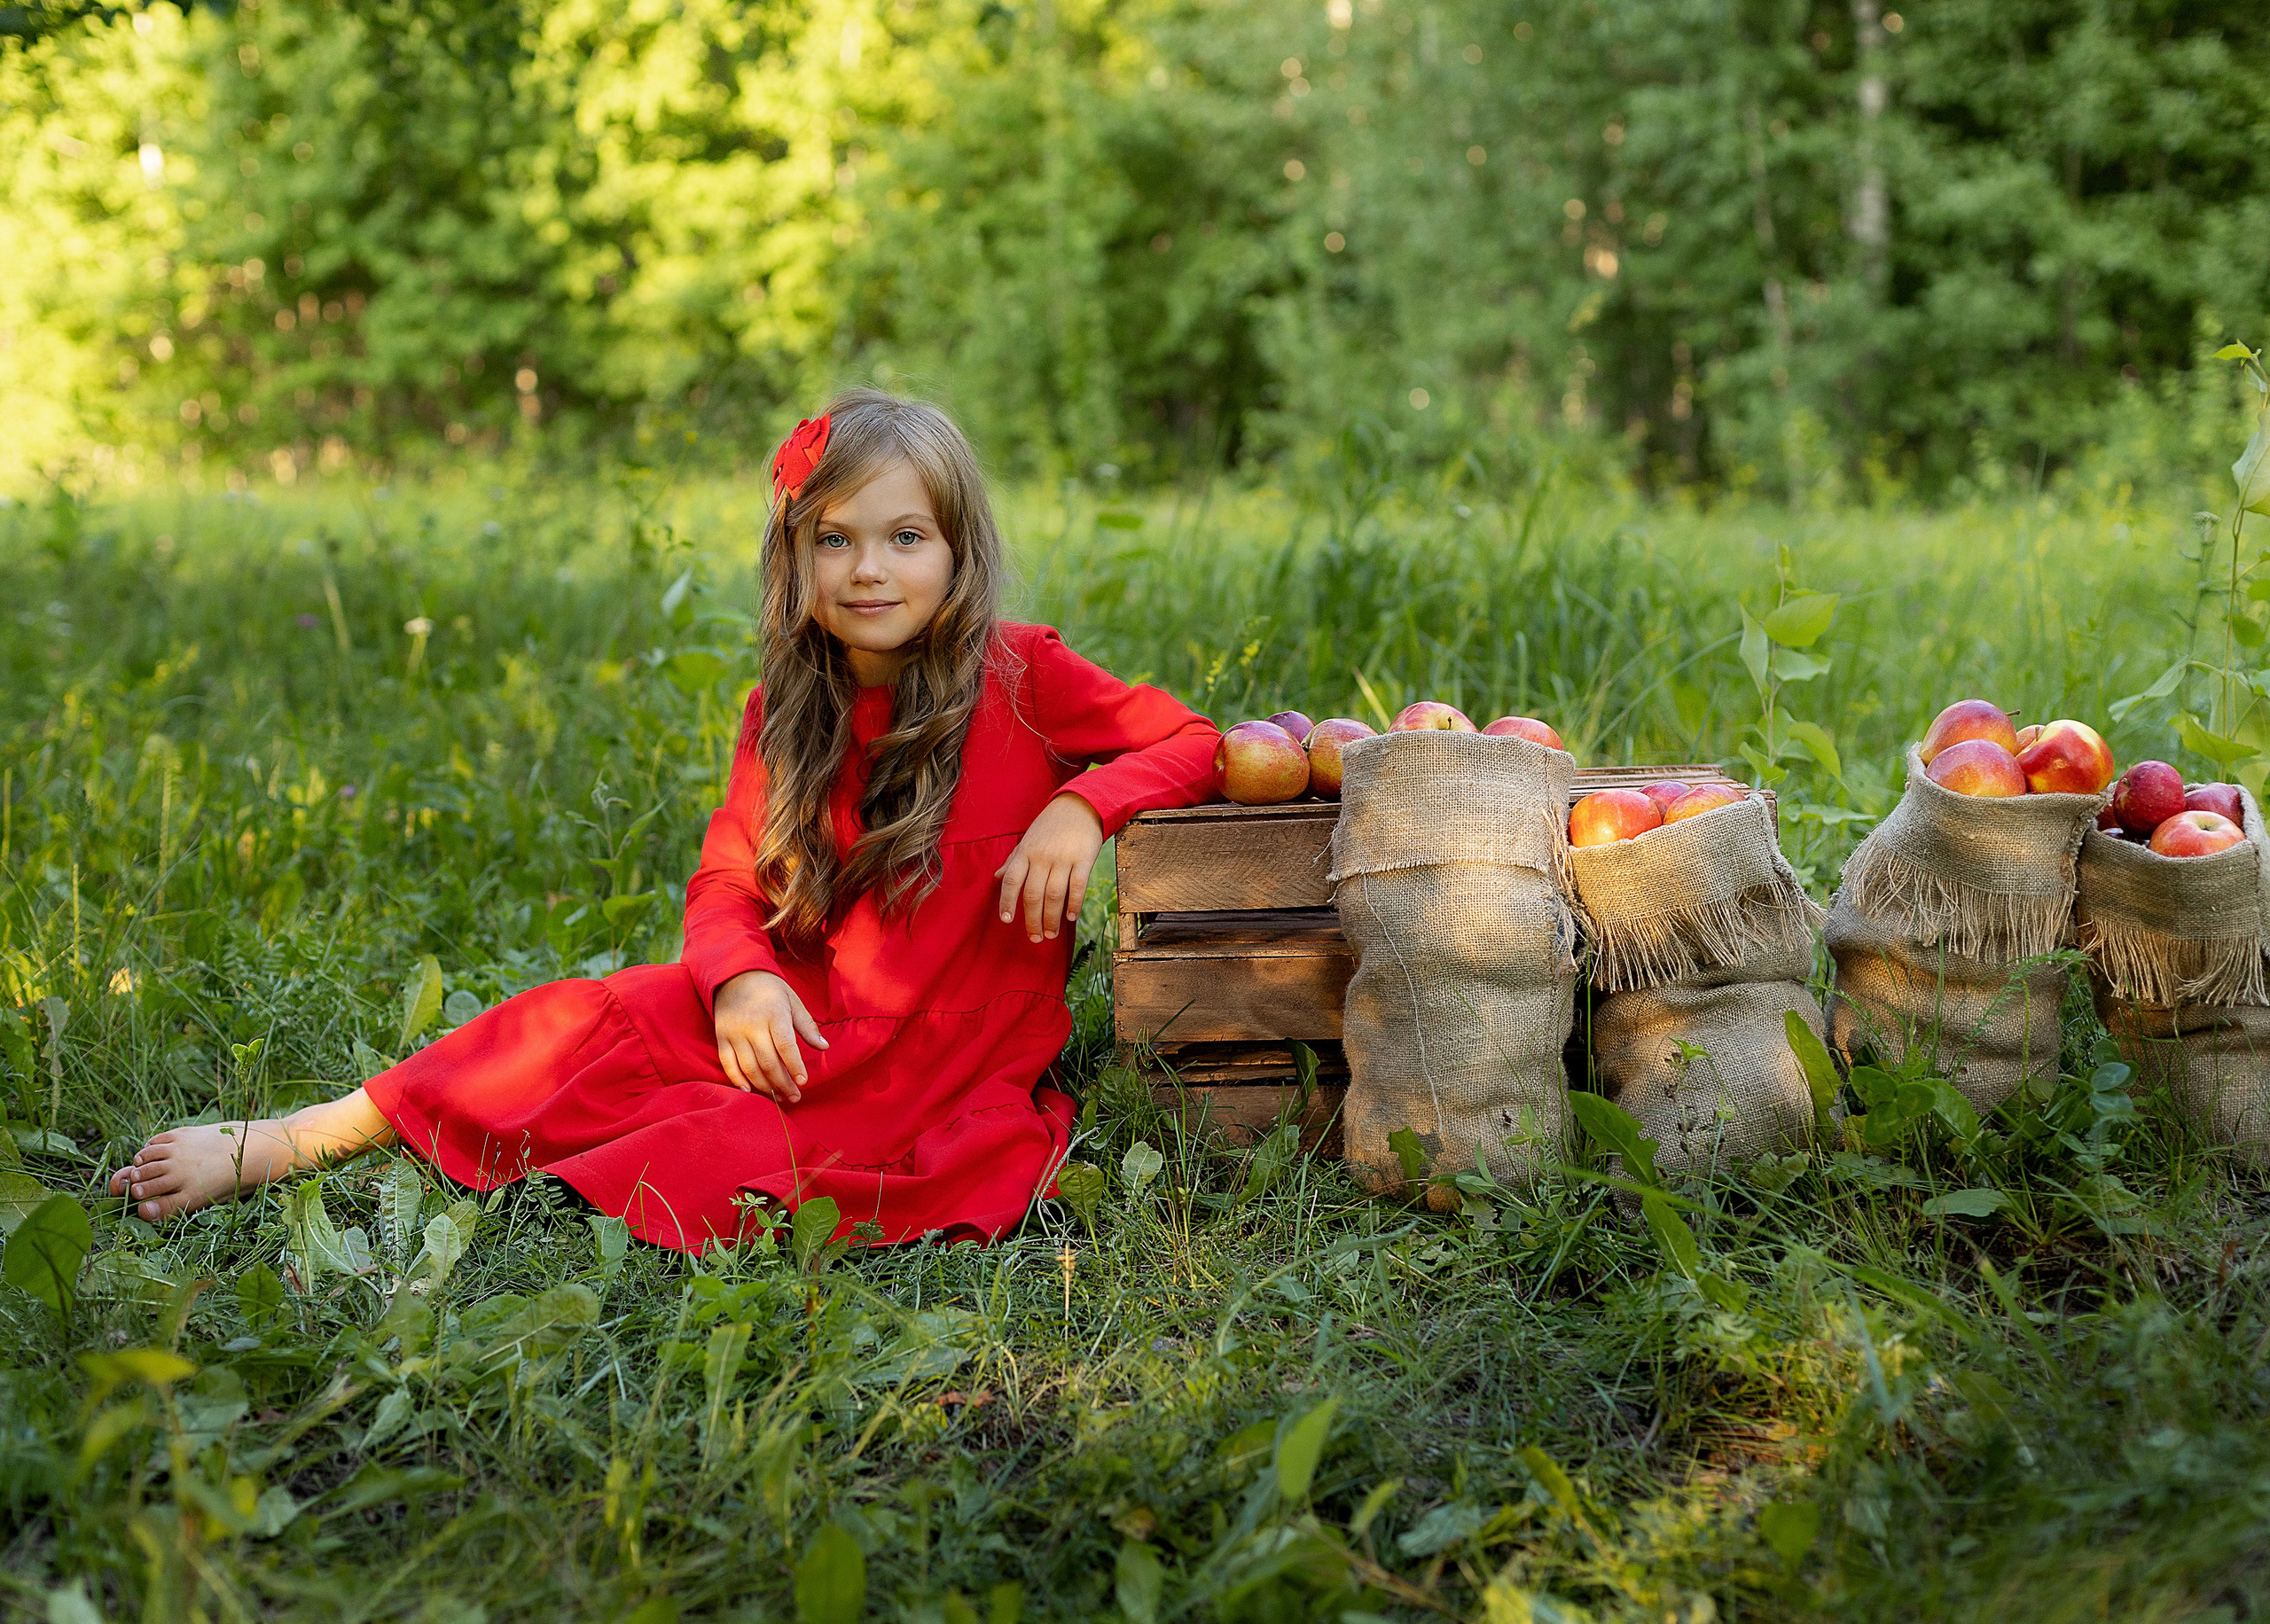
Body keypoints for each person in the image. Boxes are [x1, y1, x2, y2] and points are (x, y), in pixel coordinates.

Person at [109, 390, 1223, 1250]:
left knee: (725, 1144)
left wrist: (1082, 806)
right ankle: (298, 1136)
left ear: (958, 550)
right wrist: (741, 978)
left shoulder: (1023, 674)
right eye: (832, 538)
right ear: (793, 553)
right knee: (578, 1021)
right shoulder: (783, 707)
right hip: (803, 1015)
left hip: (946, 1054)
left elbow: (1195, 740)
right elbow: (725, 883)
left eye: (905, 537)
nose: (868, 568)